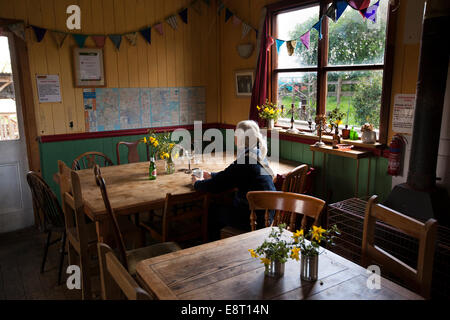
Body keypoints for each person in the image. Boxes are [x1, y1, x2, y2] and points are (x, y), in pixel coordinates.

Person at [192, 120, 276, 240]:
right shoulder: (258, 154)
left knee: (212, 211)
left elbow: (216, 186)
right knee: (225, 204)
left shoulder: (244, 162)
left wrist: (197, 183)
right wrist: (211, 175)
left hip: (254, 219)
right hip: (268, 214)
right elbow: (229, 175)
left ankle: (212, 249)